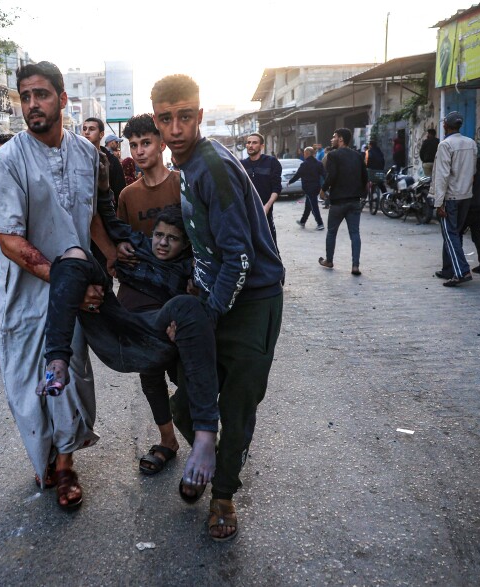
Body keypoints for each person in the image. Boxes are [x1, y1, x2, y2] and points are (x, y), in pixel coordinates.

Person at [151, 73, 284, 541]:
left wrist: (206, 317)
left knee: (237, 406)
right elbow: (206, 247)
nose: (176, 128)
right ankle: (206, 455)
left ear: (200, 116)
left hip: (252, 304)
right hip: (215, 300)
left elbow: (239, 255)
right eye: (166, 119)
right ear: (157, 122)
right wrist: (194, 293)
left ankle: (223, 494)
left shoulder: (213, 166)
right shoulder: (187, 169)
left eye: (185, 116)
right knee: (187, 405)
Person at [0, 61, 102, 511]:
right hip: (24, 295)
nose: (32, 104)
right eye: (25, 96)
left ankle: (64, 463)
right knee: (29, 384)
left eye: (41, 94)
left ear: (62, 99)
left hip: (71, 291)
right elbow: (10, 241)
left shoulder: (88, 154)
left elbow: (92, 218)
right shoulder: (6, 160)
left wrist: (114, 264)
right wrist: (69, 283)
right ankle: (44, 455)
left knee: (69, 375)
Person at [39, 208, 218, 488]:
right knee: (75, 255)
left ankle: (198, 444)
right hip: (115, 327)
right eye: (158, 234)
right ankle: (57, 360)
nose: (162, 242)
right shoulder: (137, 246)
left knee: (183, 312)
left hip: (156, 334)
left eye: (172, 238)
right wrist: (101, 187)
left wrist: (195, 297)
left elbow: (213, 291)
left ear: (185, 245)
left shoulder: (189, 269)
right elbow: (106, 216)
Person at [114, 113, 183, 474]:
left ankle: (206, 437)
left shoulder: (183, 185)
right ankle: (167, 439)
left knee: (188, 370)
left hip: (181, 294)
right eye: (133, 145)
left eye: (146, 143)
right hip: (141, 298)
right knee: (150, 370)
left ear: (162, 144)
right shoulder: (127, 196)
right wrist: (118, 251)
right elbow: (121, 242)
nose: (139, 151)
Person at [432, 112, 476, 287]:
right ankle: (448, 269)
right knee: (454, 234)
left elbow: (442, 176)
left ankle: (462, 271)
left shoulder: (445, 145)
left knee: (450, 235)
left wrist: (439, 202)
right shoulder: (471, 143)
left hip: (450, 197)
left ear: (445, 126)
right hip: (466, 195)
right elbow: (473, 172)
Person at [319, 128, 367, 275]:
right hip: (354, 201)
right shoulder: (358, 155)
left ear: (340, 139)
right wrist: (362, 194)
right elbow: (365, 177)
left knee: (331, 232)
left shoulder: (333, 155)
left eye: (334, 137)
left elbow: (332, 175)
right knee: (355, 233)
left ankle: (329, 260)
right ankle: (355, 266)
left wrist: (323, 189)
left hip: (338, 201)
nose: (332, 139)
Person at [241, 133, 282, 249]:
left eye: (254, 143)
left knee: (271, 245)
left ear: (262, 146)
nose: (250, 145)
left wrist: (267, 206)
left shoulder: (271, 162)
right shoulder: (241, 165)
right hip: (246, 213)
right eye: (248, 143)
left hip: (265, 212)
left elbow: (276, 188)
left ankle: (276, 260)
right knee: (249, 246)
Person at [82, 118, 126, 204]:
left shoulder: (111, 161)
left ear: (101, 134)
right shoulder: (76, 158)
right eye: (84, 129)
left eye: (91, 129)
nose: (86, 132)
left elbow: (119, 190)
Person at [289, 146, 325, 230]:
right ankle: (303, 221)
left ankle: (320, 223)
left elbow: (298, 175)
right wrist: (326, 185)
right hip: (316, 187)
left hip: (308, 188)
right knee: (308, 205)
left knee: (314, 206)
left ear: (307, 153)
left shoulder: (304, 164)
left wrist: (290, 181)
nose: (303, 155)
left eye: (304, 153)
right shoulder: (319, 163)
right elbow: (324, 175)